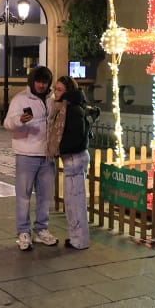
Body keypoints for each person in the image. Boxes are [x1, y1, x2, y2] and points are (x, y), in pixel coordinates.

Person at [2, 65, 59, 251]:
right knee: (23, 195)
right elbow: (7, 123)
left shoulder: (52, 101)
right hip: (26, 154)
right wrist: (20, 120)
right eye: (38, 81)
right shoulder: (20, 99)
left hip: (47, 156)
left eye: (45, 82)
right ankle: (23, 232)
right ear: (32, 81)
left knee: (45, 196)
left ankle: (41, 229)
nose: (41, 85)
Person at [47, 76, 98, 250]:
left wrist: (60, 148)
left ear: (68, 91)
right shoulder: (65, 107)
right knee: (72, 202)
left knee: (75, 203)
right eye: (55, 89)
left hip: (74, 159)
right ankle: (76, 238)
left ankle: (80, 240)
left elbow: (77, 137)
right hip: (72, 159)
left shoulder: (73, 109)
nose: (55, 92)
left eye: (59, 89)